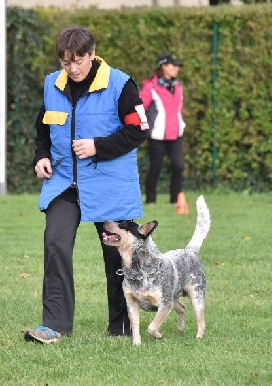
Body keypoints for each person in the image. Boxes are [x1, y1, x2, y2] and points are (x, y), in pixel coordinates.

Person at [26, 26, 150, 344]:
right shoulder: (53, 85)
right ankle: (54, 325)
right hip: (65, 184)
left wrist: (98, 146)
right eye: (66, 62)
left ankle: (123, 326)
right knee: (55, 243)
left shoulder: (121, 85)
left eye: (78, 60)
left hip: (109, 183)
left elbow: (139, 130)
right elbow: (43, 128)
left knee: (118, 255)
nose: (73, 68)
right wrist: (42, 155)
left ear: (92, 55)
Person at [140, 53, 186, 204]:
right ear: (163, 67)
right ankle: (151, 200)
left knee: (178, 166)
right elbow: (139, 107)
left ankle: (175, 200)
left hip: (176, 133)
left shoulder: (178, 86)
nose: (176, 68)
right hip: (157, 135)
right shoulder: (150, 87)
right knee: (156, 167)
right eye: (173, 65)